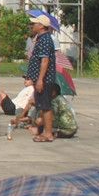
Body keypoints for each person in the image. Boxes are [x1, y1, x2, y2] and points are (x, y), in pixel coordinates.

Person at [23, 12, 59, 142]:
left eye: (35, 24)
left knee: (45, 106)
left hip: (44, 79)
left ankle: (48, 134)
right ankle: (43, 131)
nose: (32, 26)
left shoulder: (45, 40)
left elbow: (45, 61)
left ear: (41, 26)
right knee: (42, 106)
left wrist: (40, 80)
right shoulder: (41, 38)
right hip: (40, 79)